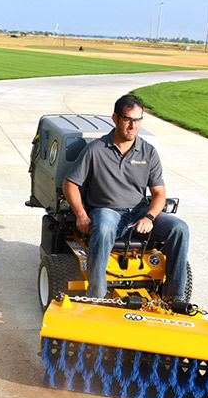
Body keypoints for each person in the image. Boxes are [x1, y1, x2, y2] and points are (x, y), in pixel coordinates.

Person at [63, 94, 189, 300]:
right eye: (128, 119)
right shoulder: (95, 150)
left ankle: (175, 297)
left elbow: (159, 194)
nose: (133, 126)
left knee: (180, 228)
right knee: (103, 228)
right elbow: (70, 184)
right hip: (107, 212)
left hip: (139, 213)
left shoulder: (148, 152)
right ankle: (96, 297)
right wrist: (81, 215)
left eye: (138, 120)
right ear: (115, 118)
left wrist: (149, 217)